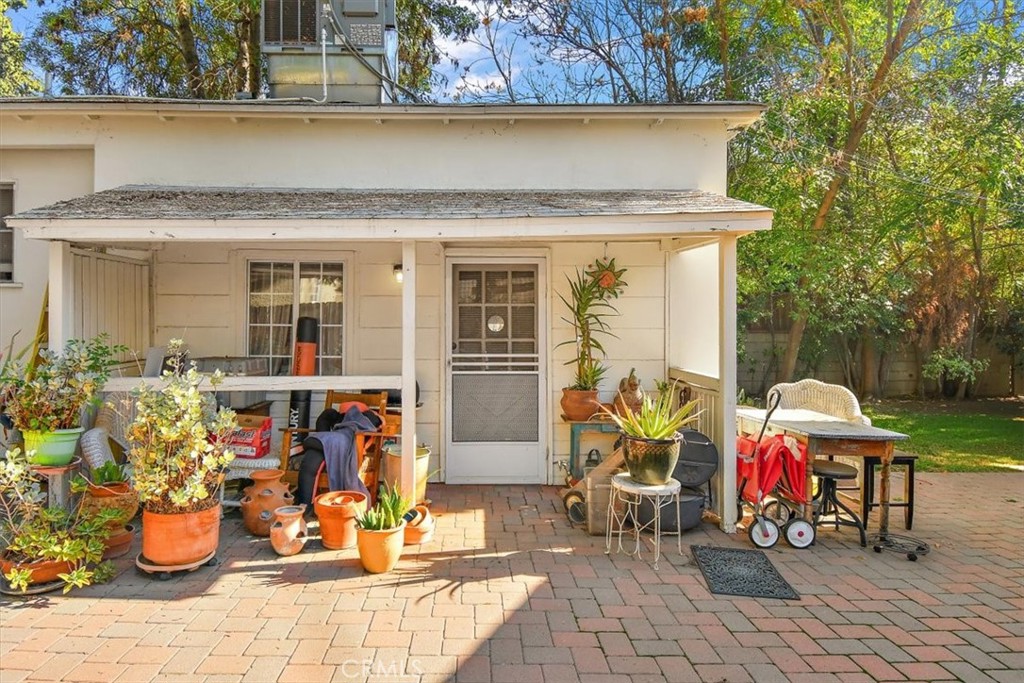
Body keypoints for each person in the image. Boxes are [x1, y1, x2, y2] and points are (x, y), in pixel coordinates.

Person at [295, 404, 382, 507]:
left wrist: (376, 416)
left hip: (345, 439)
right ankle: (305, 507)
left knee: (312, 447)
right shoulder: (336, 417)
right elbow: (324, 419)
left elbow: (379, 425)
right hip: (333, 439)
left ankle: (305, 506)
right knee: (311, 459)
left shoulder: (370, 418)